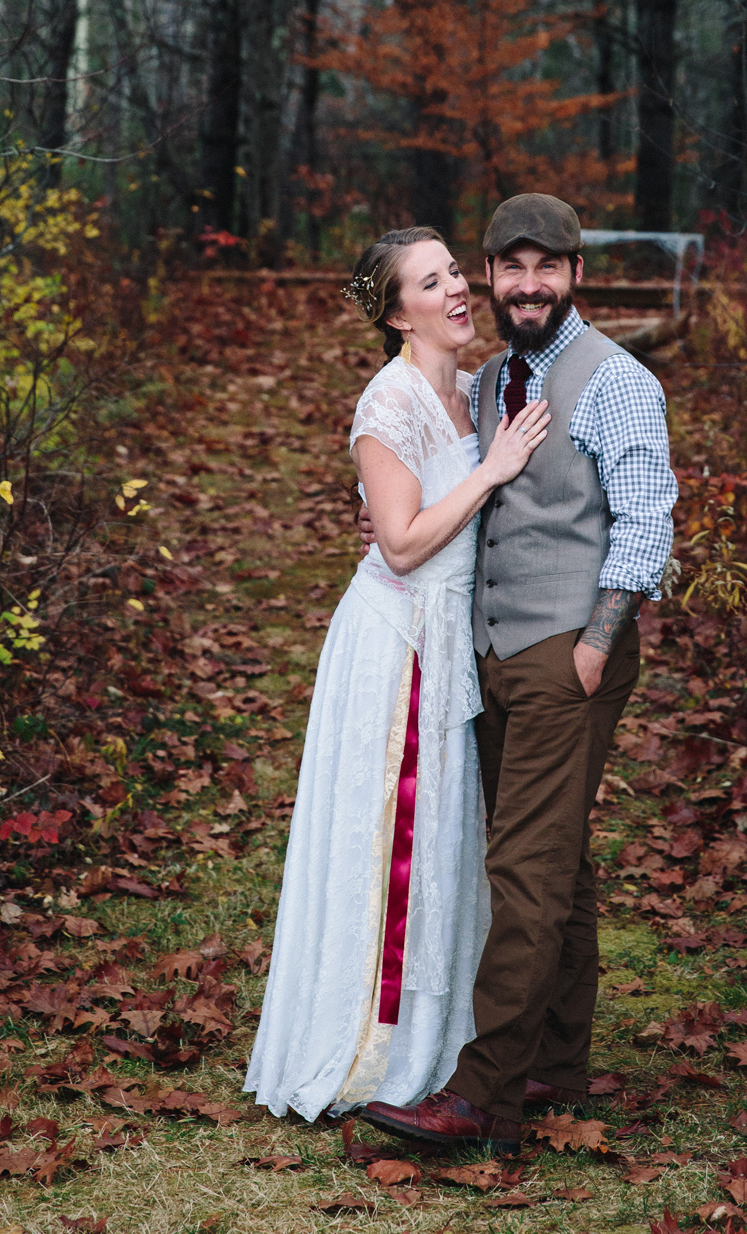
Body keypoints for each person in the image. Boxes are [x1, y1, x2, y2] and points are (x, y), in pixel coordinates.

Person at [358, 194, 677, 1157]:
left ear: (577, 273)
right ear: (492, 278)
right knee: (557, 861)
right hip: (495, 649)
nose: (527, 284)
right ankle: (556, 1063)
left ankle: (480, 1095)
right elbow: (463, 492)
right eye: (510, 267)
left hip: (566, 651)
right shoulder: (492, 375)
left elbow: (648, 520)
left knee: (525, 868)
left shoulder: (616, 378)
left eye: (548, 267)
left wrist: (591, 644)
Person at [244, 226, 551, 1122]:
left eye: (457, 270)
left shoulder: (472, 387)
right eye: (432, 280)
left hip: (453, 639)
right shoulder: (389, 405)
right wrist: (492, 472)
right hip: (398, 650)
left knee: (453, 837)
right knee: (395, 843)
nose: (458, 288)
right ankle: (370, 1052)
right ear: (394, 312)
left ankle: (449, 1038)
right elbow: (406, 542)